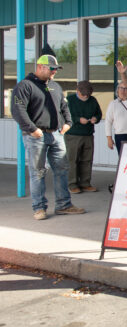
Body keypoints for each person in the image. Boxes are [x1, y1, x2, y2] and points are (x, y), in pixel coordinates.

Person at [11, 54, 85, 220]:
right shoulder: (25, 86)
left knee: (62, 169)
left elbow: (64, 106)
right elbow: (18, 110)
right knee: (38, 172)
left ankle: (64, 205)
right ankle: (39, 208)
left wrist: (68, 122)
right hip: (36, 136)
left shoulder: (56, 87)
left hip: (57, 134)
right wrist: (32, 129)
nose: (54, 72)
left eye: (56, 69)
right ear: (40, 67)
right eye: (52, 69)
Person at [64, 81, 102, 193]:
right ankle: (72, 184)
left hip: (88, 134)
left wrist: (96, 118)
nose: (85, 96)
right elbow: (63, 115)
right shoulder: (69, 100)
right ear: (77, 90)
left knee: (87, 160)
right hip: (73, 134)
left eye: (88, 94)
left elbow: (99, 113)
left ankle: (85, 183)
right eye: (83, 94)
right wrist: (77, 119)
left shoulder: (93, 100)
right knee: (73, 160)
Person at [105, 83, 127, 156]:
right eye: (121, 88)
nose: (123, 91)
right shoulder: (113, 103)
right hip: (120, 135)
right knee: (122, 157)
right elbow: (108, 122)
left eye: (126, 88)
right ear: (117, 90)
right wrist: (109, 139)